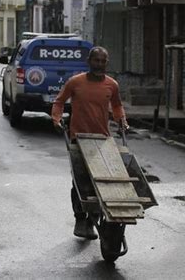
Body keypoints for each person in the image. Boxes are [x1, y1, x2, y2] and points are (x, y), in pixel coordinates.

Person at [51, 46, 129, 240]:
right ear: (89, 61)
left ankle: (93, 218)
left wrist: (122, 120)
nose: (99, 65)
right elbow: (59, 101)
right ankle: (80, 217)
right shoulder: (75, 82)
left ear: (106, 63)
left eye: (103, 62)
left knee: (102, 182)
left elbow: (117, 106)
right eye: (96, 61)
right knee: (80, 182)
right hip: (79, 139)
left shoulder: (112, 85)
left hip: (103, 140)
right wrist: (56, 118)